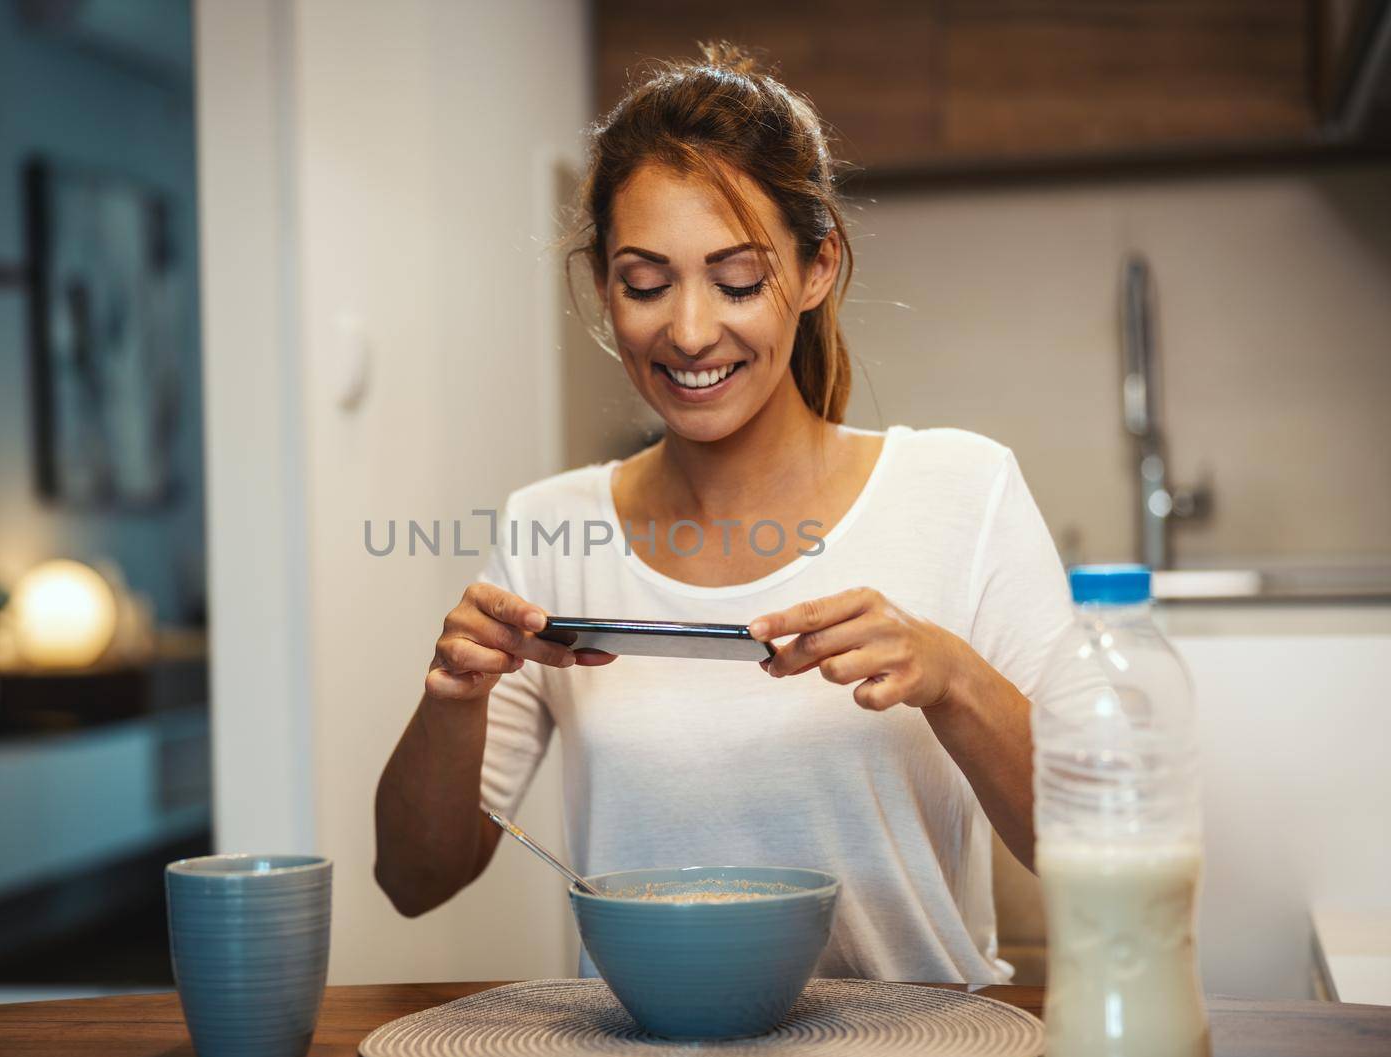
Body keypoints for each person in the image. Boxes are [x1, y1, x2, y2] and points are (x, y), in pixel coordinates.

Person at [373, 42, 1074, 984]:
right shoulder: (551, 527)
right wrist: (450, 699)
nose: (691, 331)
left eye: (738, 280)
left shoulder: (964, 491)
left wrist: (950, 678)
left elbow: (1093, 854)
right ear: (602, 287)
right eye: (646, 282)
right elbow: (415, 880)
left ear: (817, 267)